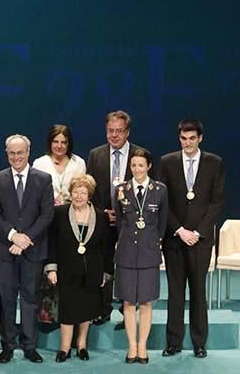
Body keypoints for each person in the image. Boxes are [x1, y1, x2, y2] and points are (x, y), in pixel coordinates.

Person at [159, 119, 225, 359]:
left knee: (198, 292)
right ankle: (173, 342)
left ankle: (199, 343)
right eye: (183, 138)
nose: (188, 143)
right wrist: (179, 230)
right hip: (175, 239)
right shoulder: (167, 162)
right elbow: (162, 201)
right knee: (175, 292)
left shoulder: (214, 163)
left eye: (192, 138)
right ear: (179, 138)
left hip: (200, 240)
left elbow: (217, 201)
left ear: (200, 139)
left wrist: (197, 232)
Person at [0, 134, 54, 363]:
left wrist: (26, 238)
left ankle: (30, 345)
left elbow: (47, 214)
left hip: (33, 249)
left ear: (28, 153)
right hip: (4, 250)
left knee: (30, 298)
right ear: (7, 154)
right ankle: (7, 345)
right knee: (6, 298)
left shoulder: (43, 179)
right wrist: (14, 236)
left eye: (21, 152)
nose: (16, 157)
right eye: (12, 153)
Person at [85, 110, 149, 325]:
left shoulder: (140, 155)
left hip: (130, 224)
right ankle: (102, 310)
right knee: (103, 265)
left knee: (128, 267)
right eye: (110, 131)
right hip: (103, 220)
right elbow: (90, 189)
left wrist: (123, 214)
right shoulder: (96, 154)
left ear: (127, 132)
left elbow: (146, 190)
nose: (114, 135)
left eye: (119, 131)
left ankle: (127, 310)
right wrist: (103, 212)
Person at [45, 175, 112, 363]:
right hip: (66, 270)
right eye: (76, 192)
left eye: (83, 192)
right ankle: (64, 348)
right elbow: (51, 242)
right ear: (70, 193)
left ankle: (82, 345)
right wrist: (52, 269)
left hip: (92, 270)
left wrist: (105, 273)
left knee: (87, 309)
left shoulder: (100, 216)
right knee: (67, 310)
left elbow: (105, 247)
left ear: (89, 194)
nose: (79, 196)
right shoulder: (60, 213)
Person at [115, 148, 168, 363]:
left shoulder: (160, 190)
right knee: (128, 302)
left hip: (148, 253)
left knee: (146, 302)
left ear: (149, 166)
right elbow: (120, 222)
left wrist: (153, 244)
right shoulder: (121, 190)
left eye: (141, 165)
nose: (137, 169)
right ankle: (131, 347)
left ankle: (142, 347)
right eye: (133, 165)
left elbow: (162, 223)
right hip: (127, 253)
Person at [32, 124, 86, 206]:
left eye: (64, 142)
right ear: (50, 143)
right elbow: (34, 193)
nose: (59, 146)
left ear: (69, 144)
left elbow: (83, 190)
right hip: (47, 211)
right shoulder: (39, 164)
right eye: (55, 142)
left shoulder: (79, 163)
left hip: (73, 211)